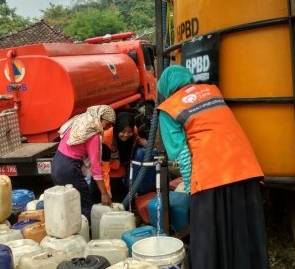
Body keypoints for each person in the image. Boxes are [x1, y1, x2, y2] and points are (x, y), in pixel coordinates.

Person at [156, 65, 269, 268]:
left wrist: (192, 189)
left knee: (207, 239)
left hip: (210, 174)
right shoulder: (212, 92)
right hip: (246, 168)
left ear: (164, 86)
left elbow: (181, 154)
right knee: (243, 234)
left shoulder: (169, 108)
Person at [51, 105, 115, 221]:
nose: (107, 129)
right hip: (69, 168)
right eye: (107, 124)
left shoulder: (78, 122)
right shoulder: (93, 134)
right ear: (99, 118)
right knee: (84, 205)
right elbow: (96, 167)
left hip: (56, 165)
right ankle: (86, 235)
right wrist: (104, 193)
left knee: (67, 204)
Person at [91, 112, 147, 203]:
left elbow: (135, 137)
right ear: (117, 129)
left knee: (124, 201)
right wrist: (105, 193)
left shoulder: (134, 131)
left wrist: (141, 142)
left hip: (121, 172)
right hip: (107, 176)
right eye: (123, 132)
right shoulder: (107, 138)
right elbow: (103, 167)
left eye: (129, 132)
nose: (126, 135)